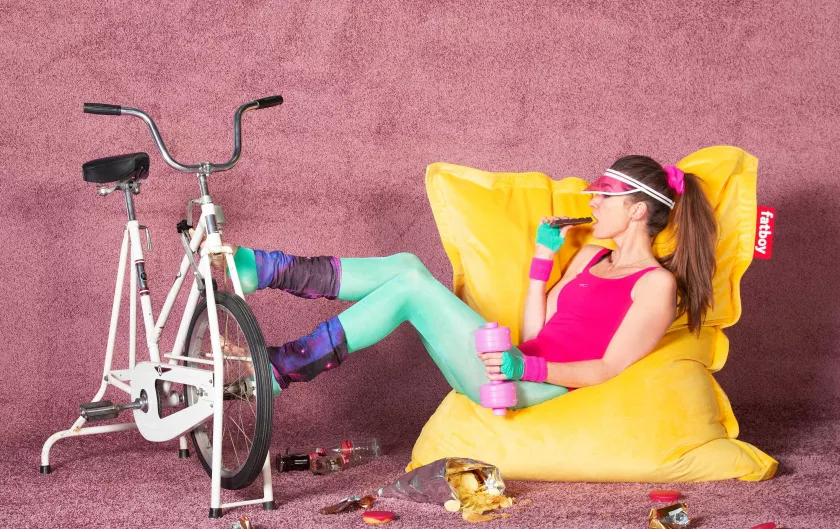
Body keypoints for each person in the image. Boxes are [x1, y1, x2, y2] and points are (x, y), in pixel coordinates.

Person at [221, 156, 717, 409]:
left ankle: (282, 364)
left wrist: (528, 368)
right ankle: (267, 274)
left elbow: (609, 368)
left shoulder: (656, 285)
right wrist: (543, 258)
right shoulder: (590, 255)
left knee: (411, 287)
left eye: (604, 197)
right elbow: (537, 330)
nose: (592, 202)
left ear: (637, 210)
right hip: (511, 365)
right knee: (407, 264)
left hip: (536, 388)